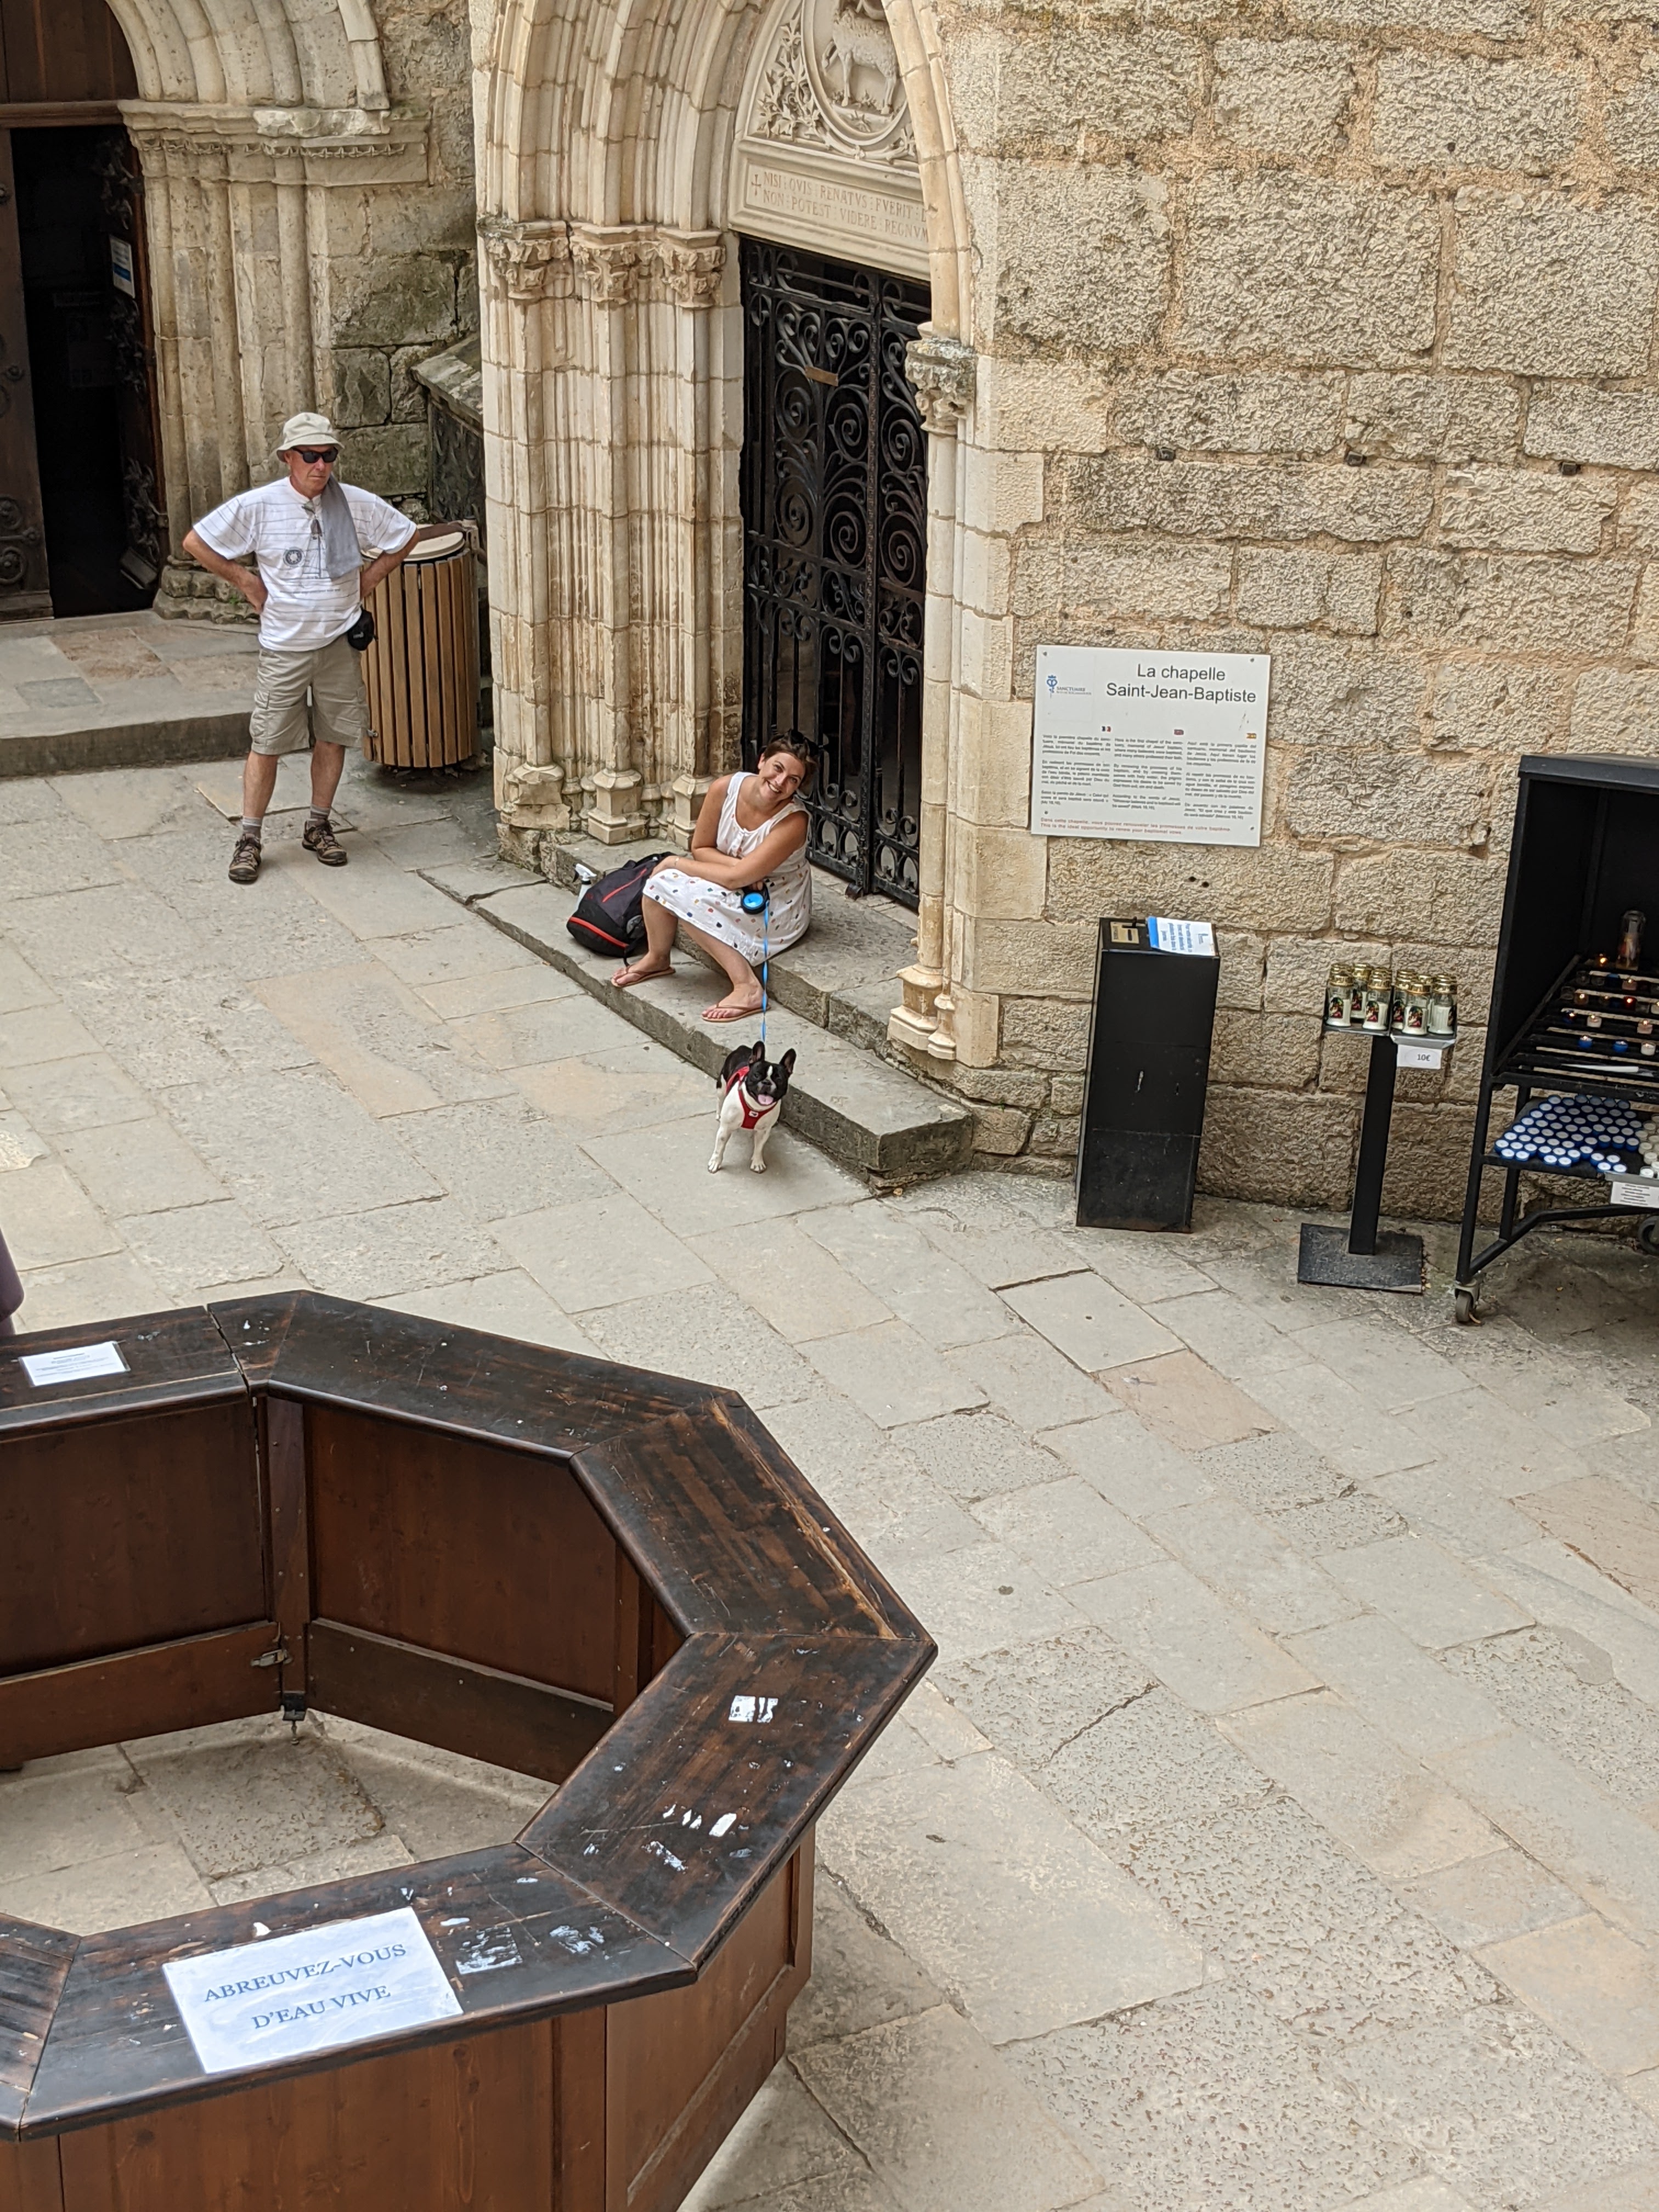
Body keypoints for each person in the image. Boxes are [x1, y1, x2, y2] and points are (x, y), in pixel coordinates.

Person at [181, 413, 420, 886]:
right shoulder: (261, 505)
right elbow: (196, 542)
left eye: (328, 455)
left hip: (337, 640)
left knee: (333, 736)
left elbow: (406, 534)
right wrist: (245, 580)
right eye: (310, 455)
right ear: (288, 458)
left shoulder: (353, 503)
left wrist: (370, 579)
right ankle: (250, 837)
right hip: (285, 646)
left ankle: (318, 824)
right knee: (267, 742)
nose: (320, 465)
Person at [613, 737, 814, 1021]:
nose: (780, 783)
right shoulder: (725, 789)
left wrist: (674, 862)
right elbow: (701, 848)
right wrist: (741, 868)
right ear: (762, 761)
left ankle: (748, 988)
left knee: (685, 893)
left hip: (774, 902)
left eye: (793, 780)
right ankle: (657, 958)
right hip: (735, 880)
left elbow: (733, 879)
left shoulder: (794, 822)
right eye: (777, 768)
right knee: (660, 883)